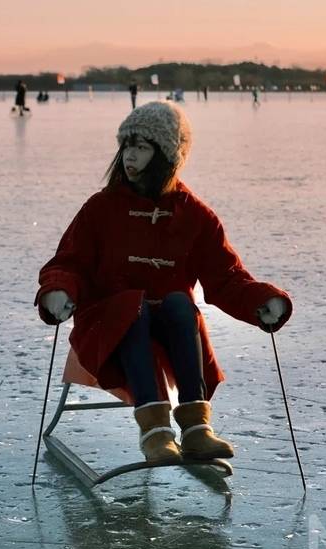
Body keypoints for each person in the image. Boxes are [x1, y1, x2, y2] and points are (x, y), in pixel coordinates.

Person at [35, 101, 292, 463]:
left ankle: (196, 428)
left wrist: (262, 301)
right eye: (127, 145)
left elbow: (226, 276)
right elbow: (69, 262)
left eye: (142, 147)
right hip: (109, 322)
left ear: (166, 155)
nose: (130, 156)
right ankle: (155, 432)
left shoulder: (194, 215)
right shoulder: (101, 208)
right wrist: (59, 290)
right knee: (133, 308)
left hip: (170, 327)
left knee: (179, 303)